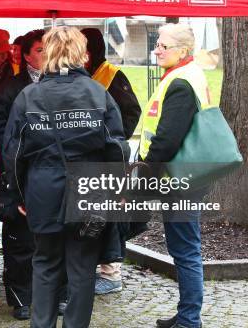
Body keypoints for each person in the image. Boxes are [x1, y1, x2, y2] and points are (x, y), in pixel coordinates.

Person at [3, 26, 129, 328]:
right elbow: (118, 148)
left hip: (43, 188)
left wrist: (21, 195)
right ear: (80, 54)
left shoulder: (29, 96)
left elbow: (14, 154)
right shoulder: (97, 93)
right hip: (89, 187)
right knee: (83, 269)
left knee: (45, 264)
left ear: (48, 54)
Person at [138, 23, 208, 328]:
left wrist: (144, 174)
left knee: (185, 250)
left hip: (178, 180)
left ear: (183, 50)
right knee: (183, 247)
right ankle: (186, 314)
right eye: (157, 44)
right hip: (183, 177)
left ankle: (190, 320)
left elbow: (166, 140)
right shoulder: (186, 74)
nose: (157, 49)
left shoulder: (181, 82)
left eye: (163, 45)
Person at [0, 29, 49, 320]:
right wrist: (14, 153)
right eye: (39, 50)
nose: (45, 55)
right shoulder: (11, 88)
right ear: (26, 56)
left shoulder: (64, 83)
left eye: (49, 49)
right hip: (19, 172)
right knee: (20, 238)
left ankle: (57, 294)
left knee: (56, 237)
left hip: (54, 172)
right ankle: (21, 297)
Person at [80, 28, 142, 295]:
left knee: (111, 216)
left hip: (108, 158)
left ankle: (111, 272)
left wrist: (115, 142)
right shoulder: (84, 76)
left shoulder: (111, 75)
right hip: (89, 159)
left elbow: (132, 111)